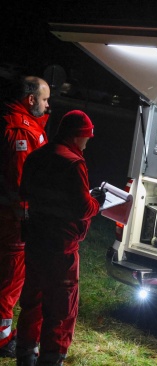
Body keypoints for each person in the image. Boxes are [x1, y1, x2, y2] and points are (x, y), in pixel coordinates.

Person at [15, 110, 106, 366]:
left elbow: (24, 191)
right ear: (79, 136)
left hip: (35, 242)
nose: (88, 143)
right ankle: (51, 359)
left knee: (33, 301)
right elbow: (82, 208)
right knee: (61, 309)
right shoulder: (74, 163)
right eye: (87, 137)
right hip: (62, 249)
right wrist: (97, 203)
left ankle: (26, 355)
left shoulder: (36, 156)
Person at [0, 76, 50, 358]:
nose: (47, 105)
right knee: (9, 278)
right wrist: (27, 214)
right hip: (13, 219)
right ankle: (2, 338)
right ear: (30, 99)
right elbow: (21, 180)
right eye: (44, 99)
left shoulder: (14, 121)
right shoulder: (20, 128)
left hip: (9, 215)